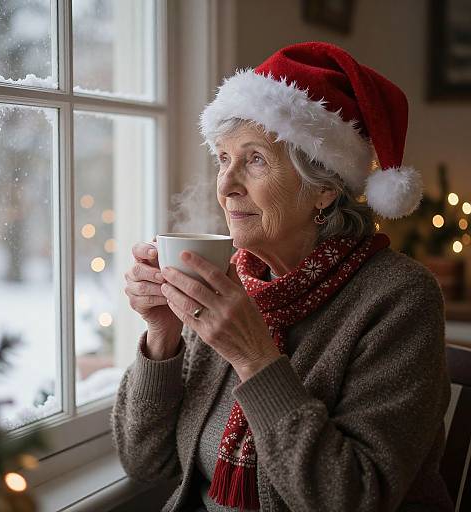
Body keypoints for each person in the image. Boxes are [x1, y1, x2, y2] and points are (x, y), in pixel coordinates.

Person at [111, 42, 454, 511]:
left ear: (324, 192)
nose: (227, 185)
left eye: (254, 159)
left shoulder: (399, 298)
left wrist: (254, 358)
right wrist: (162, 336)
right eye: (223, 158)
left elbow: (354, 498)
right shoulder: (231, 280)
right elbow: (145, 463)